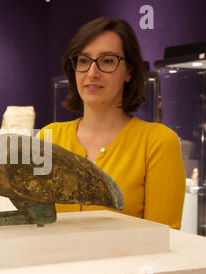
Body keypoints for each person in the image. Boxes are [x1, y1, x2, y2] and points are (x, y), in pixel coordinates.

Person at [38, 17, 186, 229]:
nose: (92, 73)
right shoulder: (47, 138)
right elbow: (36, 226)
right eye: (83, 60)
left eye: (107, 61)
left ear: (129, 71)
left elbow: (162, 241)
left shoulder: (158, 142)